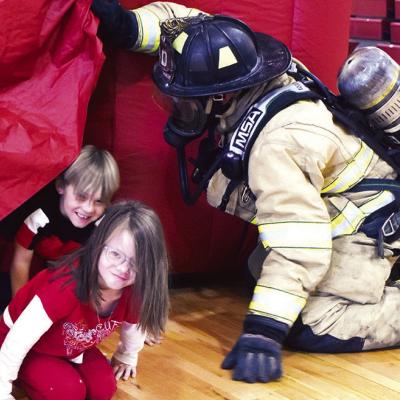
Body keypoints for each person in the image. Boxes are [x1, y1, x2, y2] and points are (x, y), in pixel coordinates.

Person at [149, 14, 400, 384]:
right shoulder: (256, 68)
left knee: (309, 326)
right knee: (259, 271)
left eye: (186, 102)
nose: (180, 110)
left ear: (222, 95)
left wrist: (263, 332)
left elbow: (300, 243)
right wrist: (126, 25)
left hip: (372, 223)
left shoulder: (277, 144)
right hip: (350, 205)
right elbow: (193, 27)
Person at [0, 200, 169, 399]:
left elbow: (133, 326)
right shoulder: (66, 285)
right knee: (68, 393)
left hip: (70, 346)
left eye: (137, 262)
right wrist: (3, 387)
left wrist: (127, 355)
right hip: (26, 344)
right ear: (98, 245)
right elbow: (20, 337)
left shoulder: (133, 288)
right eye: (116, 254)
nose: (124, 269)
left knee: (104, 387)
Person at [9, 144, 120, 298]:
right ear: (61, 186)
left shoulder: (104, 224)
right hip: (38, 267)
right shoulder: (39, 219)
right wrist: (19, 309)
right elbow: (20, 263)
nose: (88, 208)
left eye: (99, 201)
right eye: (81, 196)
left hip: (73, 275)